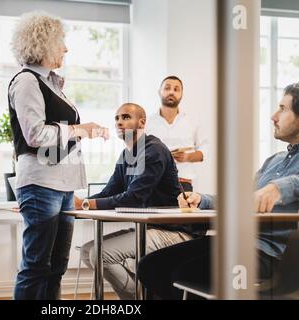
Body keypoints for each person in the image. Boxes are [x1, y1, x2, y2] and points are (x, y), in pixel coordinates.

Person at [137, 82, 299, 299]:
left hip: (269, 256)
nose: (273, 116)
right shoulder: (275, 161)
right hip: (236, 241)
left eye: (282, 108)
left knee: (184, 274)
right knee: (150, 266)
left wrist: (279, 187)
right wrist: (201, 199)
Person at [9, 11, 109, 300]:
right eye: (61, 42)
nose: (65, 49)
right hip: (42, 184)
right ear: (44, 44)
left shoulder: (52, 83)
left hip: (62, 186)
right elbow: (35, 135)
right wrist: (81, 129)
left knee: (56, 268)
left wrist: (81, 131)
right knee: (37, 266)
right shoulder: (27, 81)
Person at [75, 103, 205, 300]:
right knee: (88, 251)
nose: (119, 122)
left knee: (98, 254)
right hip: (151, 229)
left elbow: (134, 199)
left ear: (142, 122)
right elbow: (110, 191)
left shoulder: (154, 150)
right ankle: (146, 295)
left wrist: (84, 204)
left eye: (126, 117)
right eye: (117, 118)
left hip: (176, 231)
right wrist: (78, 202)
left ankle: (141, 299)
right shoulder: (126, 155)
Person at [146, 76, 208, 191]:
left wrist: (188, 157)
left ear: (182, 94)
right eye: (167, 88)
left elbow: (205, 149)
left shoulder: (193, 121)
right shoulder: (146, 122)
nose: (171, 92)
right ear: (159, 92)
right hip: (153, 183)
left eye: (176, 89)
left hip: (183, 183)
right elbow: (135, 154)